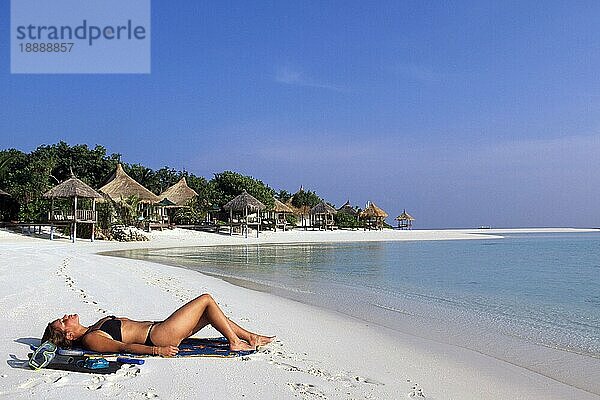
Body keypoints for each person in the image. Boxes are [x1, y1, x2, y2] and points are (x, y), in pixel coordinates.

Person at [42, 293, 274, 357]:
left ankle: (251, 337)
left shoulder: (93, 327)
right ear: (70, 336)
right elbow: (124, 348)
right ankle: (235, 342)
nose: (65, 316)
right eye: (63, 322)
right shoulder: (92, 339)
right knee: (206, 300)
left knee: (210, 314)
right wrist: (157, 351)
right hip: (159, 337)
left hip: (159, 328)